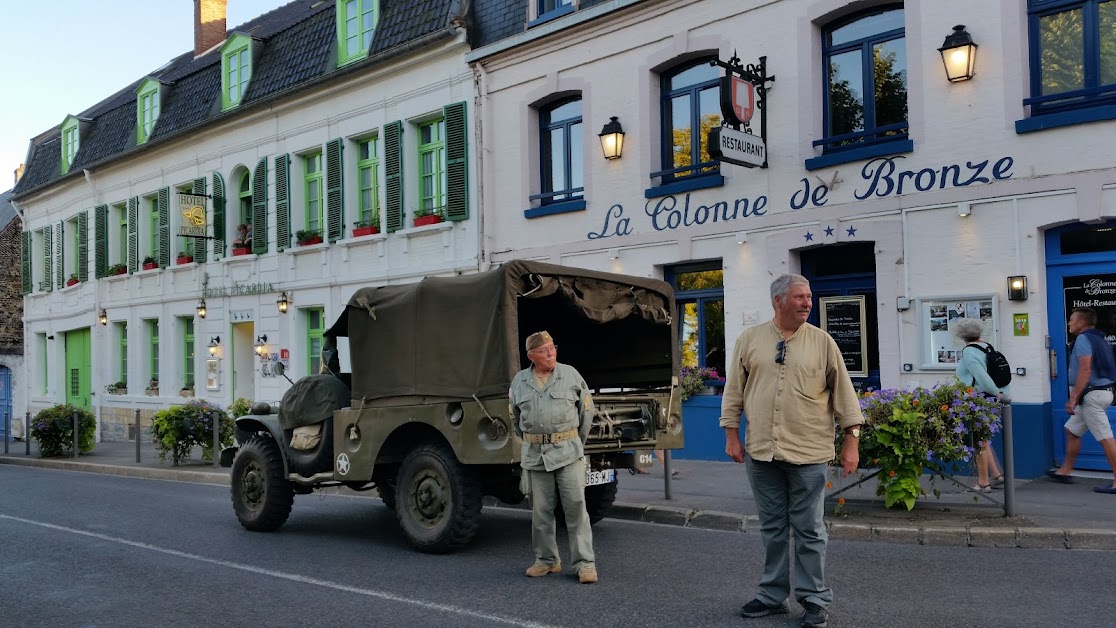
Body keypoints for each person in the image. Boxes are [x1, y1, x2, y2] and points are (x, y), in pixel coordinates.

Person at [720, 274, 862, 628]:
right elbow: (733, 391)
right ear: (778, 301)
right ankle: (772, 595)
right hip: (762, 451)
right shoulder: (750, 340)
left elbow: (845, 395)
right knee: (772, 528)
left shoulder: (823, 342)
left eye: (809, 296)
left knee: (810, 529)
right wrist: (731, 436)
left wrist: (851, 442)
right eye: (799, 297)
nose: (807, 302)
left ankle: (814, 599)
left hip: (809, 452)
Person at [509, 331, 599, 583]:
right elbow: (515, 418)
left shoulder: (570, 374)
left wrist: (573, 443)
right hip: (535, 455)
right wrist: (535, 440)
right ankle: (547, 561)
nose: (551, 353)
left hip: (567, 453)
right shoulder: (519, 381)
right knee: (540, 512)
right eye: (544, 350)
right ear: (531, 356)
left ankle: (585, 564)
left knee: (576, 509)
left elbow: (586, 413)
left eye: (552, 348)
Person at [1049, 307, 1116, 494]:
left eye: (1071, 320)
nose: (1069, 323)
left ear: (1081, 323)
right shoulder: (1099, 337)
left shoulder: (1083, 339)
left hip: (1091, 396)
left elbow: (1085, 370)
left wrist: (1073, 397)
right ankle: (1065, 471)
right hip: (1099, 393)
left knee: (1105, 438)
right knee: (1072, 430)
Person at [953, 319, 1007, 493]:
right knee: (984, 438)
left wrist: (994, 392)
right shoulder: (987, 347)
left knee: (978, 441)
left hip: (979, 399)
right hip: (990, 398)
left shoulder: (969, 352)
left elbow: (981, 376)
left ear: (961, 335)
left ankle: (983, 482)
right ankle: (997, 474)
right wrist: (999, 393)